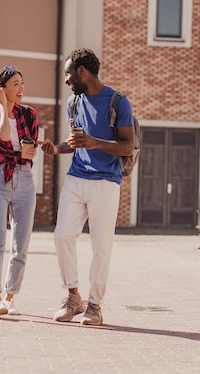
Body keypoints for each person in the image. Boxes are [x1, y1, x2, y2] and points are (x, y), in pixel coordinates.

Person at [41, 47, 134, 326]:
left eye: (69, 74)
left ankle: (95, 305)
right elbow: (75, 143)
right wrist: (56, 149)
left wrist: (95, 143)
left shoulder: (118, 101)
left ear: (82, 71)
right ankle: (73, 297)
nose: (67, 80)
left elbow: (127, 145)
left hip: (105, 181)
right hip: (76, 177)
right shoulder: (74, 103)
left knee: (100, 246)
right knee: (62, 236)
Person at [0, 66, 39, 317]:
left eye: (22, 83)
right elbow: (3, 136)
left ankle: (10, 297)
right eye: (15, 84)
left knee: (20, 244)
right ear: (1, 89)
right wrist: (4, 107)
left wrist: (30, 152)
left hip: (24, 178)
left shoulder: (30, 114)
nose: (21, 89)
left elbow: (30, 149)